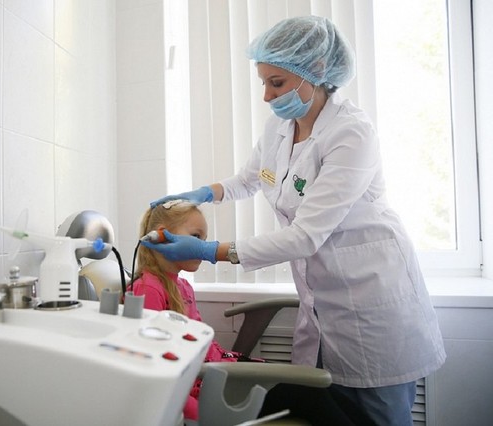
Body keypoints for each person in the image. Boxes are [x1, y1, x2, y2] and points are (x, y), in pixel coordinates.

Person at [142, 15, 446, 426]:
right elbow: (250, 179)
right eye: (263, 82)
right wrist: (204, 193)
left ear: (315, 71)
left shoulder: (351, 133)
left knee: (381, 417)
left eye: (277, 82)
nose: (266, 96)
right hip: (323, 302)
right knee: (331, 413)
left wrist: (210, 251)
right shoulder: (279, 128)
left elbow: (305, 236)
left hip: (374, 301)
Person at [129, 200, 242, 421]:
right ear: (162, 236)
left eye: (204, 240)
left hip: (220, 369)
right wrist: (204, 416)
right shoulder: (148, 289)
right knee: (303, 394)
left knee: (307, 391)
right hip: (205, 386)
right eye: (196, 237)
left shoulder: (184, 286)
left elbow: (201, 345)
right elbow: (157, 370)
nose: (202, 247)